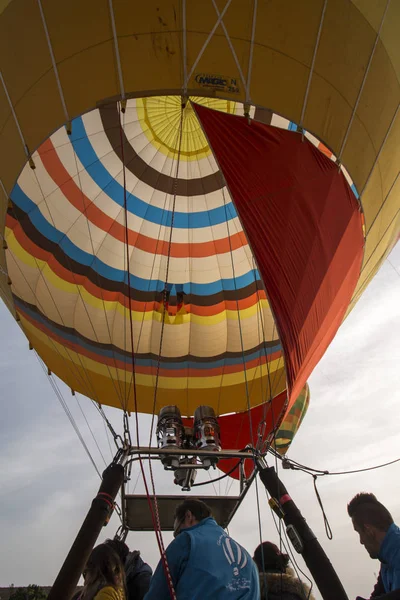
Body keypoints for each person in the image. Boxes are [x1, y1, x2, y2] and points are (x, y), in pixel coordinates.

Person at [144, 498, 260, 599]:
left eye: (178, 531)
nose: (178, 536)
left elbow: (158, 592)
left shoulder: (186, 541)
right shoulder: (249, 561)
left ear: (188, 516)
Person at [348, 493, 400, 595]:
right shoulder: (387, 558)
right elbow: (378, 594)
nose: (361, 541)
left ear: (369, 531)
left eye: (359, 533)